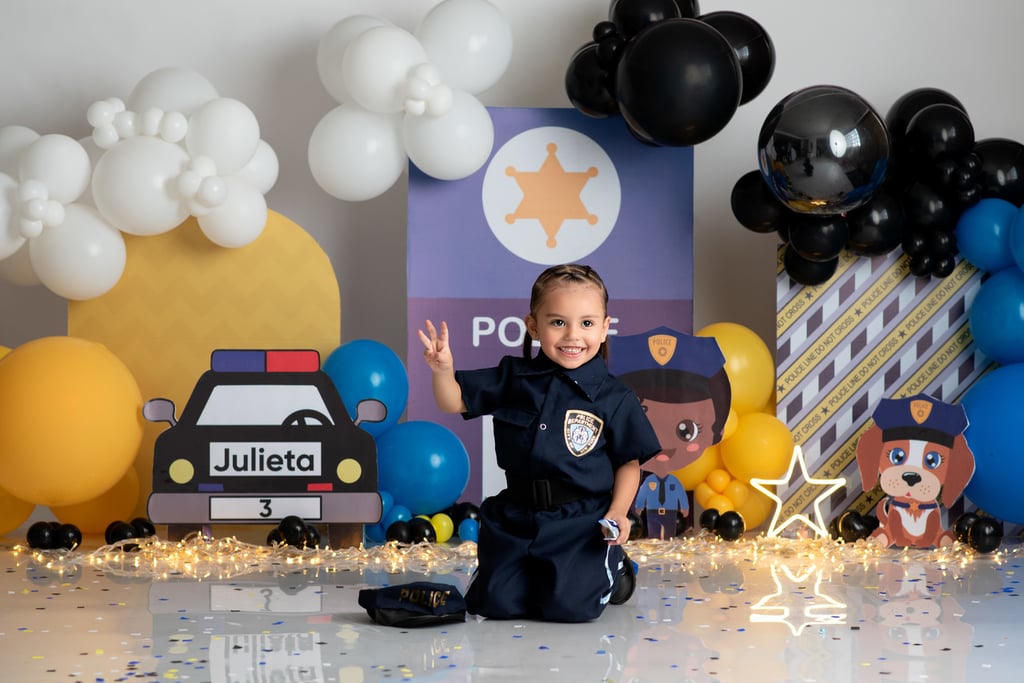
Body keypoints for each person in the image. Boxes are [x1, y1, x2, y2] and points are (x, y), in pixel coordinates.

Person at [418, 264, 661, 622]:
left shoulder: (614, 397)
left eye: (587, 324)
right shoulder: (513, 378)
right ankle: (508, 572)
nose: (573, 336)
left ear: (606, 327)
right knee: (494, 606)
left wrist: (617, 512)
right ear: (533, 325)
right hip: (517, 516)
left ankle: (614, 570)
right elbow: (453, 401)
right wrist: (442, 371)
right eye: (558, 322)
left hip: (580, 523)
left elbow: (628, 463)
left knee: (569, 610)